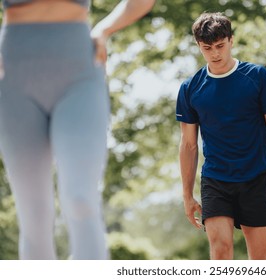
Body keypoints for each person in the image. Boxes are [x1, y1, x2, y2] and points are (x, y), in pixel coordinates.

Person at [0, 0, 155, 259]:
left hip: (79, 69)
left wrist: (104, 29)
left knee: (80, 199)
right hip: (14, 75)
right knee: (33, 214)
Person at [176, 12, 266, 260]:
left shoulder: (257, 77)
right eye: (207, 48)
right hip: (216, 179)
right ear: (198, 46)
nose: (215, 53)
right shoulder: (190, 88)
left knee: (260, 260)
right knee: (220, 251)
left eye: (220, 46)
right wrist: (187, 195)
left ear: (231, 40)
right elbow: (188, 145)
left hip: (255, 177)